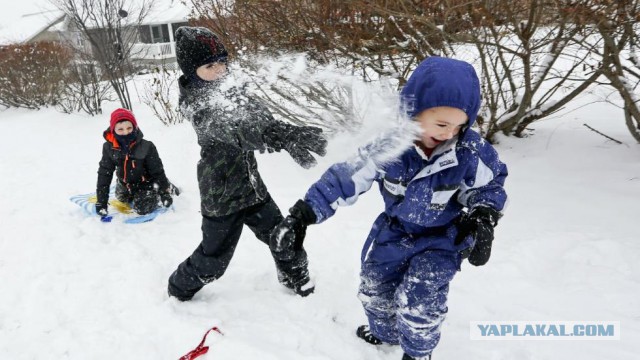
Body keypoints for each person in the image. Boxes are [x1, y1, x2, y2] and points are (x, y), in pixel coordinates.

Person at [270, 57, 508, 360]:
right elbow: (346, 178)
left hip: (443, 239)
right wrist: (303, 214)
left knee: (421, 299)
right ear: (414, 113)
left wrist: (483, 216)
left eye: (459, 125)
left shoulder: (469, 152)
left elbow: (489, 186)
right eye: (441, 124)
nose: (450, 133)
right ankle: (386, 334)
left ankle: (418, 353)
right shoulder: (390, 145)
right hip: (394, 232)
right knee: (374, 288)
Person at [167, 26, 328, 301]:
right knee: (214, 261)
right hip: (221, 196)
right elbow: (235, 129)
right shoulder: (198, 106)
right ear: (192, 71)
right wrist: (273, 136)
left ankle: (295, 276)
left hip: (252, 187)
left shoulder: (231, 90)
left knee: (282, 236)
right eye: (209, 65)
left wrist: (284, 134)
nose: (219, 70)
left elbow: (258, 119)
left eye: (222, 62)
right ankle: (178, 288)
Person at [96, 108, 177, 217]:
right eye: (120, 129)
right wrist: (101, 201)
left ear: (134, 127)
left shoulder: (147, 146)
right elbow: (104, 173)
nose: (126, 132)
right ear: (113, 130)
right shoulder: (109, 147)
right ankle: (130, 191)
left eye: (129, 128)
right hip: (125, 184)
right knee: (122, 200)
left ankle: (166, 187)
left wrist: (164, 193)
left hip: (146, 184)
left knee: (142, 208)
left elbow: (157, 170)